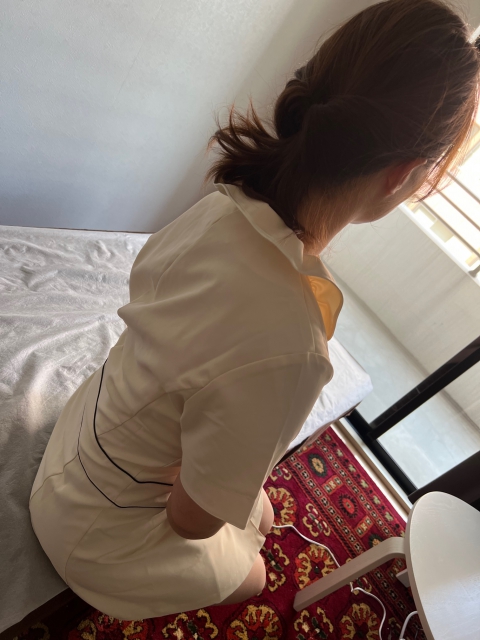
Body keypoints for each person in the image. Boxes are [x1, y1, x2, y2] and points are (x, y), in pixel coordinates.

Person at [29, 0, 479, 621]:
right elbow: (189, 521)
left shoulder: (224, 204)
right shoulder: (296, 347)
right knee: (256, 571)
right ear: (403, 176)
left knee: (256, 512)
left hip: (85, 436)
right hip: (95, 534)